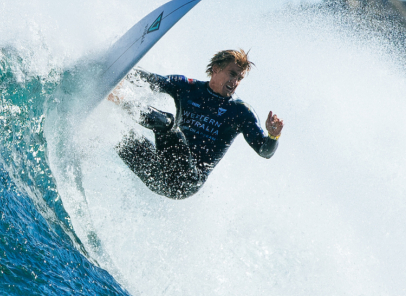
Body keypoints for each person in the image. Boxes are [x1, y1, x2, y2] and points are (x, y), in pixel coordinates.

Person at [114, 49, 283, 199]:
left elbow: (264, 151)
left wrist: (273, 136)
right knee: (118, 134)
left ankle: (117, 97)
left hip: (185, 183)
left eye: (240, 78)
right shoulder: (187, 87)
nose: (235, 82)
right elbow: (151, 80)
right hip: (157, 175)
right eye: (232, 74)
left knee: (167, 124)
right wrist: (117, 68)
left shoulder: (241, 112)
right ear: (216, 69)